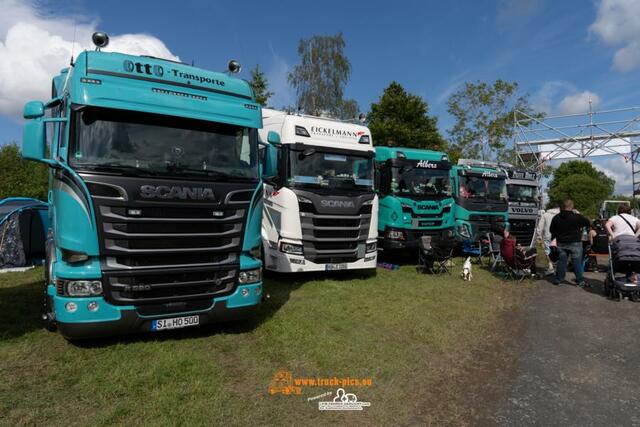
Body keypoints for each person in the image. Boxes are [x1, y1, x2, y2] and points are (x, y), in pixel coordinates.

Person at [549, 199, 591, 287]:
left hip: (561, 242)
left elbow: (551, 230)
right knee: (576, 262)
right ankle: (579, 280)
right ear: (572, 207)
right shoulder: (576, 217)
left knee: (562, 261)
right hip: (575, 242)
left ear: (563, 207)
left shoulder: (556, 217)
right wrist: (579, 214)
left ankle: (558, 279)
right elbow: (587, 222)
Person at [537, 204, 560, 275]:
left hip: (548, 236)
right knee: (559, 252)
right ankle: (558, 268)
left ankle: (551, 268)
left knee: (548, 252)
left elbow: (540, 226)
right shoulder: (561, 214)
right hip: (560, 236)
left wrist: (539, 235)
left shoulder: (545, 215)